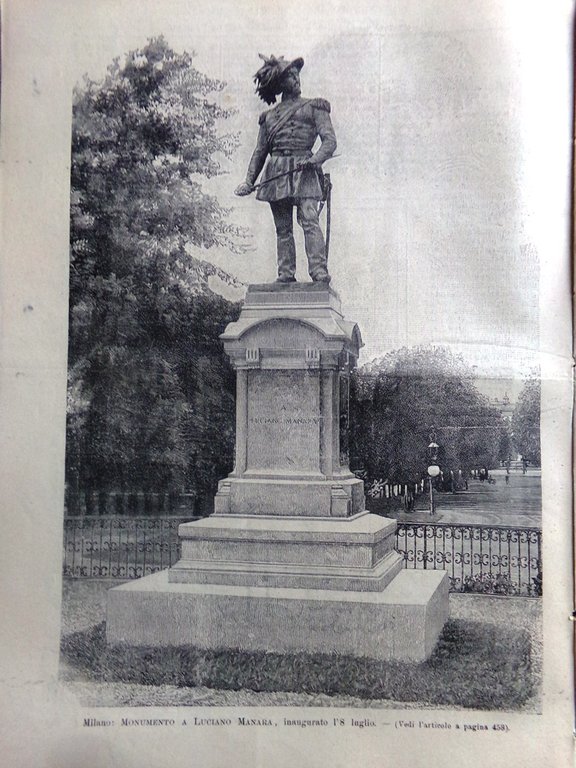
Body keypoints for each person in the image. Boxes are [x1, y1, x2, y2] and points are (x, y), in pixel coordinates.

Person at [235, 55, 337, 283]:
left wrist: (315, 160)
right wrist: (249, 181)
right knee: (283, 228)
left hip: (305, 170)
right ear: (280, 84)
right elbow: (260, 151)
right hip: (276, 172)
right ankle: (285, 274)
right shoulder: (269, 117)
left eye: (296, 75)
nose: (296, 79)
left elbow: (329, 141)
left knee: (309, 220)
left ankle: (318, 271)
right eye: (290, 76)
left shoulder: (315, 107)